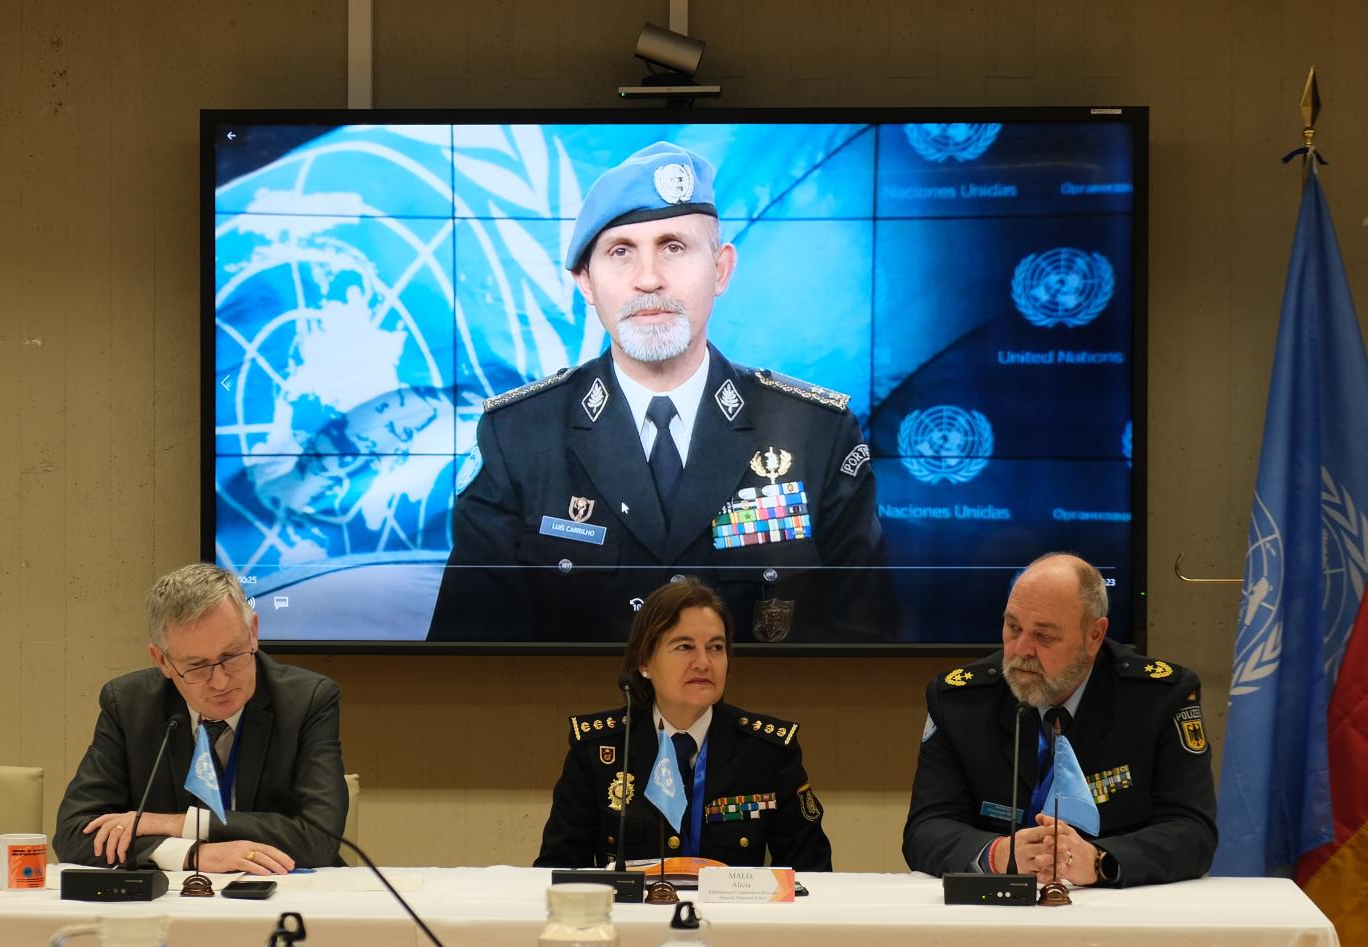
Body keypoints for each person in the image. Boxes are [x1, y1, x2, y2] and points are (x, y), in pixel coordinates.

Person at [430, 140, 892, 644]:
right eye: (620, 252)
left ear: (720, 270)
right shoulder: (518, 438)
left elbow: (864, 653)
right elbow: (468, 661)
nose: (648, 279)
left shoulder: (815, 435)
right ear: (586, 282)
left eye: (673, 247)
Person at [902, 552, 1217, 887]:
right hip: (996, 905)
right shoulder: (961, 701)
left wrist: (1098, 861)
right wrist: (997, 854)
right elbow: (926, 827)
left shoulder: (1158, 698)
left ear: (1094, 636)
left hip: (1117, 905)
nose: (1021, 649)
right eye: (1013, 628)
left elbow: (1192, 830)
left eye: (1044, 636)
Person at [53, 563, 347, 873]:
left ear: (253, 633)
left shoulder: (307, 700)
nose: (220, 682)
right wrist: (192, 854)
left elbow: (319, 840)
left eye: (231, 656)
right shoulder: (129, 705)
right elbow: (74, 835)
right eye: (196, 666)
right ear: (162, 661)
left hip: (284, 891)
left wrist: (179, 824)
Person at [535, 578, 832, 870]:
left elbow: (812, 869)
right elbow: (558, 868)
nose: (703, 662)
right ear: (644, 662)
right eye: (685, 647)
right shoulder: (600, 749)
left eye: (716, 647)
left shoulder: (767, 751)